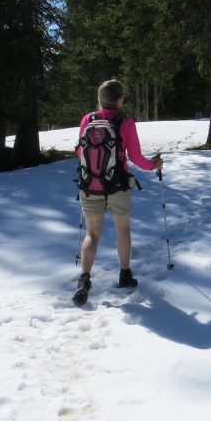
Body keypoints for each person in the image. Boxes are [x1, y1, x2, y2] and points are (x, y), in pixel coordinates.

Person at [74, 79, 163, 305]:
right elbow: (136, 158)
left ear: (100, 99)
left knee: (92, 234)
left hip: (90, 184)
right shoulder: (126, 122)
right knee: (122, 229)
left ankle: (84, 280)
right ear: (120, 99)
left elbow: (80, 152)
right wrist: (154, 165)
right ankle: (125, 274)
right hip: (117, 185)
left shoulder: (87, 120)